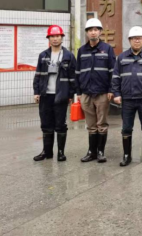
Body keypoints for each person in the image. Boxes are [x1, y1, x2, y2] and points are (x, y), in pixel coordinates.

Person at [111, 26, 142, 166]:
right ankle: (126, 155)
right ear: (129, 40)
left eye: (139, 38)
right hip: (127, 99)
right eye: (134, 38)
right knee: (126, 128)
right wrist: (116, 94)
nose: (137, 41)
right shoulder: (121, 57)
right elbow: (115, 77)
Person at [32, 25, 76, 162]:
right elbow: (38, 75)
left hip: (61, 95)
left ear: (62, 38)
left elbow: (73, 77)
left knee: (60, 124)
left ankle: (61, 153)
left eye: (57, 36)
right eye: (52, 36)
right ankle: (47, 152)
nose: (55, 39)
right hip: (46, 95)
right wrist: (36, 92)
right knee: (46, 123)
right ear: (49, 38)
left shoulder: (68, 56)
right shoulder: (43, 55)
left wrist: (70, 95)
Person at [76, 18, 116, 163]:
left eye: (95, 30)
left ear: (100, 32)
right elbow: (78, 72)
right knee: (91, 125)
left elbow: (113, 71)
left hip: (102, 93)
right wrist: (78, 92)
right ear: (87, 33)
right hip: (86, 93)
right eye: (90, 30)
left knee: (102, 124)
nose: (93, 32)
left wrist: (111, 89)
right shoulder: (82, 51)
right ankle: (91, 152)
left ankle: (100, 152)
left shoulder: (107, 49)